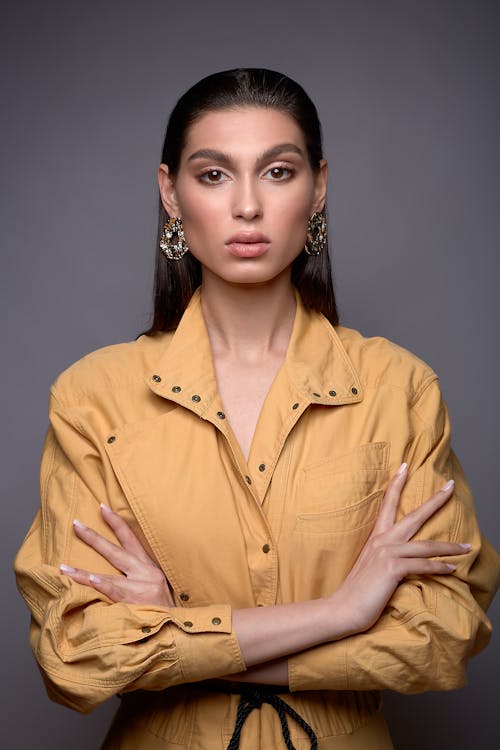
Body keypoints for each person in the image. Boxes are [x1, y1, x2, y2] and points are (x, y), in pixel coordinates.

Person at [15, 68, 499, 750]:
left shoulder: (399, 388)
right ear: (170, 194)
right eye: (213, 175)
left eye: (277, 171)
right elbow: (76, 654)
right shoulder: (93, 398)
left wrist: (178, 632)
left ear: (318, 187)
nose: (247, 206)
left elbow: (444, 634)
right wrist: (342, 611)